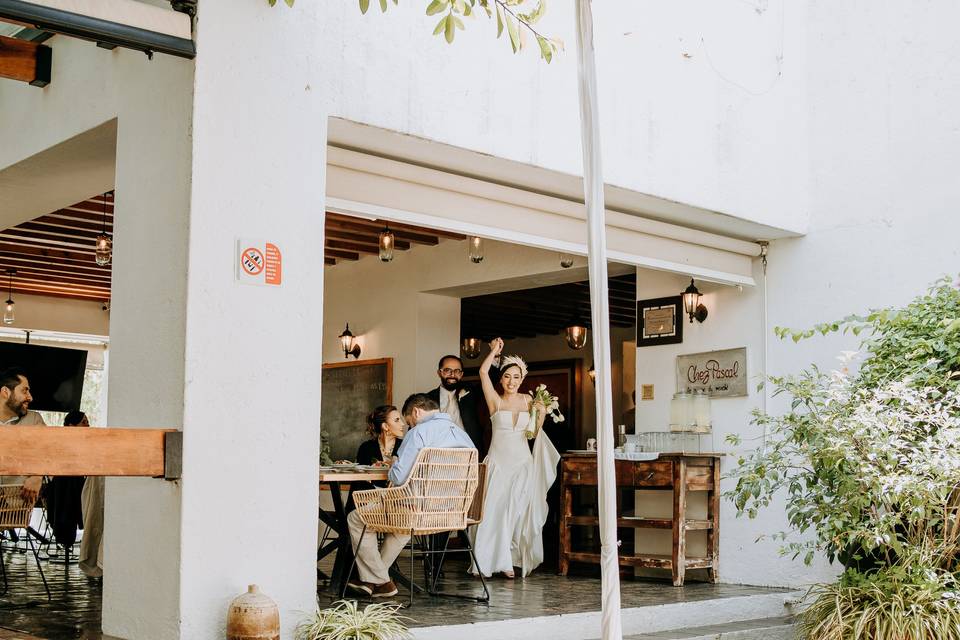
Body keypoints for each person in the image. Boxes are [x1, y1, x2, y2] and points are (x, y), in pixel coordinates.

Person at [346, 393, 475, 598]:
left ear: (416, 412)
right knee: (402, 528)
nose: (409, 426)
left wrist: (395, 462)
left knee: (356, 518)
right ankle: (373, 581)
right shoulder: (463, 436)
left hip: (415, 507)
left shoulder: (420, 432)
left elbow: (397, 478)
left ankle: (380, 581)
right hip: (451, 511)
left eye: (409, 422)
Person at [469, 338, 560, 578]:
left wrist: (540, 414)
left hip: (521, 463)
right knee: (492, 512)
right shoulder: (495, 400)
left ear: (522, 380)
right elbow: (481, 371)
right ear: (501, 379)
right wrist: (494, 352)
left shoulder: (529, 400)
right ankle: (485, 561)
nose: (511, 381)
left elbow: (533, 432)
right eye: (507, 376)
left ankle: (509, 560)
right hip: (498, 463)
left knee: (516, 512)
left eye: (516, 377)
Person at [65, 411, 104, 579]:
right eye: (83, 422)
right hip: (70, 488)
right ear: (71, 426)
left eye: (88, 422)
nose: (87, 425)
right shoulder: (64, 448)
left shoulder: (92, 445)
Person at [0, 367, 46, 502]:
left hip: (15, 507)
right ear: (5, 392)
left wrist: (37, 477)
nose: (30, 397)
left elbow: (50, 454)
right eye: (25, 390)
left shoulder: (34, 420)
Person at [425, 355, 484, 452]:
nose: (452, 374)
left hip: (468, 453)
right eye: (448, 370)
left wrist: (495, 355)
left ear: (461, 374)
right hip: (437, 454)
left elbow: (489, 379)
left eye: (457, 371)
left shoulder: (471, 394)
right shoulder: (428, 398)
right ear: (439, 373)